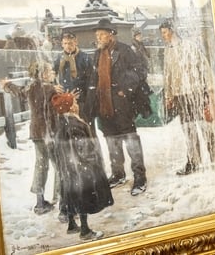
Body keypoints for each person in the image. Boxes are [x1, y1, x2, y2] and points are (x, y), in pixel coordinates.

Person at [86, 18, 148, 196]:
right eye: (97, 35)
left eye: (101, 34)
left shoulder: (125, 50)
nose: (98, 38)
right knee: (111, 140)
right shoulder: (98, 54)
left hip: (122, 105)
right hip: (104, 105)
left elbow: (140, 71)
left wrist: (124, 89)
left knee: (130, 139)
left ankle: (140, 177)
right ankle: (118, 174)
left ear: (111, 35)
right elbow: (94, 78)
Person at [160, 21, 215, 176]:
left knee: (205, 126)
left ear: (173, 31)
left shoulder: (189, 46)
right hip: (181, 96)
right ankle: (194, 161)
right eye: (162, 33)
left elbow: (204, 66)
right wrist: (169, 95)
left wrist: (209, 88)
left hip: (197, 92)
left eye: (165, 32)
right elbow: (168, 74)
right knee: (188, 129)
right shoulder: (167, 51)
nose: (164, 36)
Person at [1, 61, 60, 216]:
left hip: (36, 132)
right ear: (43, 74)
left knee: (41, 165)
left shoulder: (31, 87)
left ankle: (40, 202)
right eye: (50, 70)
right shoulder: (50, 89)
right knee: (59, 165)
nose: (52, 72)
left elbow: (18, 91)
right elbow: (60, 106)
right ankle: (60, 198)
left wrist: (7, 85)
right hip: (50, 132)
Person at [51, 92, 112, 241]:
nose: (77, 105)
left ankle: (72, 224)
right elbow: (82, 148)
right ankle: (85, 231)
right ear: (71, 108)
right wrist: (91, 161)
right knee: (83, 195)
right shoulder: (74, 125)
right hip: (80, 168)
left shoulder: (61, 123)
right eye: (75, 103)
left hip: (68, 168)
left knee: (69, 193)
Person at [53, 31, 93, 125]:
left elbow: (92, 79)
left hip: (81, 99)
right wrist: (54, 86)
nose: (68, 46)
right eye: (65, 43)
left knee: (85, 125)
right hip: (65, 99)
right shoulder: (59, 58)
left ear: (76, 42)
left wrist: (87, 97)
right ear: (62, 44)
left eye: (70, 43)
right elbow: (51, 74)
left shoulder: (85, 58)